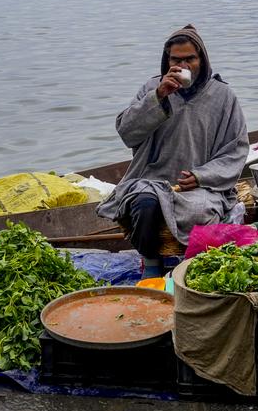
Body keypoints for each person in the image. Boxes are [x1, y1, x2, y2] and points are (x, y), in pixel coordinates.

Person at [97, 25, 249, 277]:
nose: (184, 65)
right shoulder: (152, 88)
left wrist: (201, 176)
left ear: (202, 60)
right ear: (167, 61)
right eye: (177, 60)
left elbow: (236, 150)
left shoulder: (223, 96)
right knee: (143, 204)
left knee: (201, 211)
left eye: (190, 59)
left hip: (200, 185)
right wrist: (158, 97)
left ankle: (190, 266)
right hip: (151, 178)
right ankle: (152, 265)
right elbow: (127, 133)